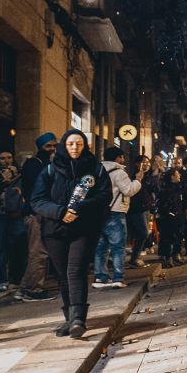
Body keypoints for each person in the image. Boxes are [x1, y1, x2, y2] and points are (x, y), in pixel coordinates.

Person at [30, 129, 111, 338]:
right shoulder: (49, 170)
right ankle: (69, 319)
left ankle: (78, 319)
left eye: (79, 144)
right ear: (64, 146)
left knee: (76, 270)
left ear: (85, 146)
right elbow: (37, 200)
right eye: (71, 144)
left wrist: (81, 209)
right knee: (63, 274)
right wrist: (60, 212)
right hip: (55, 230)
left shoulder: (96, 169)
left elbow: (104, 196)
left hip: (84, 229)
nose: (75, 148)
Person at [93, 147, 146, 288]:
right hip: (115, 212)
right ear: (118, 158)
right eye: (122, 157)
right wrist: (138, 181)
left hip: (98, 213)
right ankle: (118, 277)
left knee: (100, 248)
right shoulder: (119, 172)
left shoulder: (97, 171)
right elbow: (128, 190)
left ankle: (100, 277)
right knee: (118, 248)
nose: (123, 160)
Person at [15, 132, 58, 302]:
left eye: (54, 145)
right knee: (38, 252)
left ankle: (25, 287)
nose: (52, 149)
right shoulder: (35, 164)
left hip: (42, 212)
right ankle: (33, 289)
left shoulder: (45, 163)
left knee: (39, 251)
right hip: (36, 213)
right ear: (40, 147)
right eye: (48, 146)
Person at [0, 150, 28, 292]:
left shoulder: (20, 173)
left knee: (17, 245)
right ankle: (0, 280)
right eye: (2, 158)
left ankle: (15, 278)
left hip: (16, 214)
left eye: (9, 157)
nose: (6, 161)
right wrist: (3, 181)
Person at [127, 155, 155, 267]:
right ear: (138, 164)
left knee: (143, 233)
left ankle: (135, 257)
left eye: (148, 162)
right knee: (142, 233)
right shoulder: (134, 176)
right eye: (144, 162)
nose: (147, 164)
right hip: (136, 209)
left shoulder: (148, 176)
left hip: (145, 208)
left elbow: (153, 190)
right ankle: (134, 258)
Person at [156, 167, 185, 269]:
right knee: (167, 237)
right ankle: (167, 257)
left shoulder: (179, 187)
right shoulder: (166, 189)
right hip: (168, 217)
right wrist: (169, 212)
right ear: (172, 176)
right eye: (177, 174)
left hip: (178, 215)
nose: (179, 176)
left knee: (178, 235)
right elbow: (163, 204)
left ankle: (176, 254)